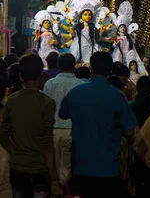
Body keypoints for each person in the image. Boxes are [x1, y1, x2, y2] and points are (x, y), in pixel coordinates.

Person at [59, 51, 138, 197]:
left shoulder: (76, 92)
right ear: (110, 70)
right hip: (109, 166)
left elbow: (62, 114)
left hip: (81, 164)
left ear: (91, 68)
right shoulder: (117, 96)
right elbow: (129, 130)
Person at [0, 54, 61, 198]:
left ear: (21, 75)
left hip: (16, 167)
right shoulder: (47, 103)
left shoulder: (12, 100)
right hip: (39, 169)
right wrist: (54, 179)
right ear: (42, 74)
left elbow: (3, 136)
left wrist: (16, 153)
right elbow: (46, 143)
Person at [43, 53, 84, 185]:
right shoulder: (80, 84)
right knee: (67, 167)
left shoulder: (50, 84)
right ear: (74, 66)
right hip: (72, 131)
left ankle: (57, 189)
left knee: (53, 166)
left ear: (59, 66)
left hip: (53, 131)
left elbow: (45, 109)